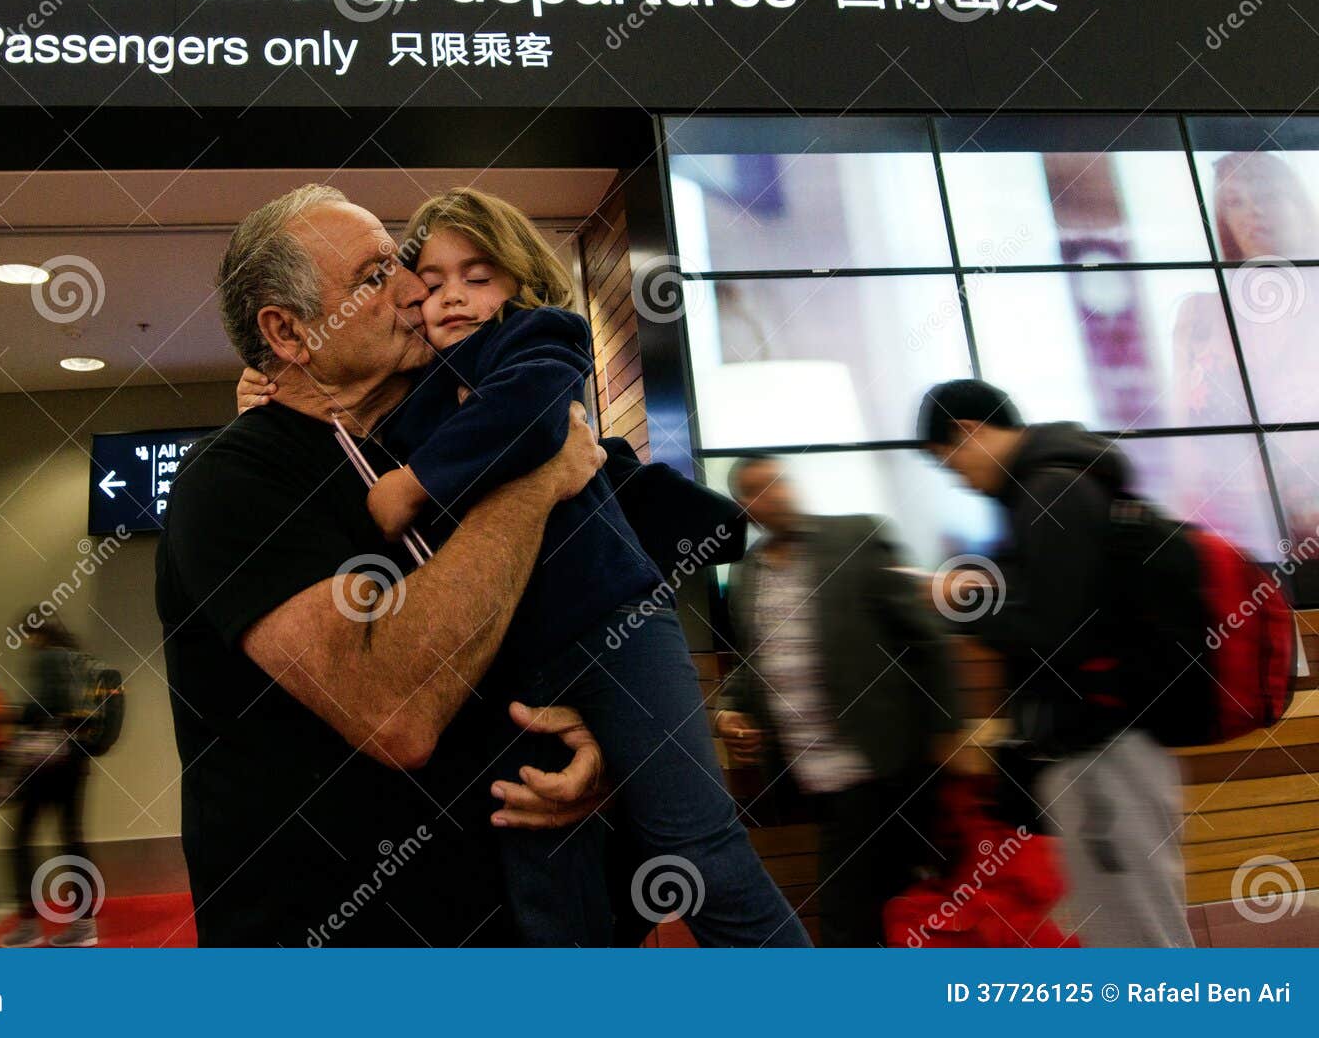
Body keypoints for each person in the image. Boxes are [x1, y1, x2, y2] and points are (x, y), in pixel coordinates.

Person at [159, 184, 608, 947]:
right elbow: (397, 715)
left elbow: (510, 629)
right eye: (375, 277)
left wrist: (591, 742)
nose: (416, 288)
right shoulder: (231, 481)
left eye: (403, 263)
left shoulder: (434, 449)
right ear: (289, 332)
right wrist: (534, 479)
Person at [359, 189, 808, 947]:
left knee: (695, 850)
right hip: (508, 660)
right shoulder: (414, 399)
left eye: (478, 275)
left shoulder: (540, 336)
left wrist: (411, 483)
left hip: (617, 627)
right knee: (541, 865)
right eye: (431, 283)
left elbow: (531, 412)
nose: (453, 298)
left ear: (522, 277)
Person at [917, 378, 1193, 947]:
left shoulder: (1052, 492)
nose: (961, 481)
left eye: (953, 465)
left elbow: (1055, 633)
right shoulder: (1057, 488)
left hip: (1104, 751)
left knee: (1139, 936)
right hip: (1105, 747)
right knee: (1125, 928)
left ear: (969, 433)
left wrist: (959, 605)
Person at [712, 455, 959, 947]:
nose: (775, 496)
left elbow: (925, 639)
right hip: (814, 777)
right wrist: (728, 710)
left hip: (885, 765)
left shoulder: (855, 537)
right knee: (884, 909)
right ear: (745, 507)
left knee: (859, 917)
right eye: (759, 490)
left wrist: (947, 732)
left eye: (779, 482)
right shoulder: (748, 575)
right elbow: (751, 661)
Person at [0, 611, 96, 948]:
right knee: (71, 838)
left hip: (47, 763)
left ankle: (28, 925)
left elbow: (42, 707)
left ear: (36, 634)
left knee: (20, 839)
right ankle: (84, 925)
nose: (25, 643)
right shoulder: (77, 660)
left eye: (25, 635)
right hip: (76, 759)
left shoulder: (47, 658)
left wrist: (7, 714)